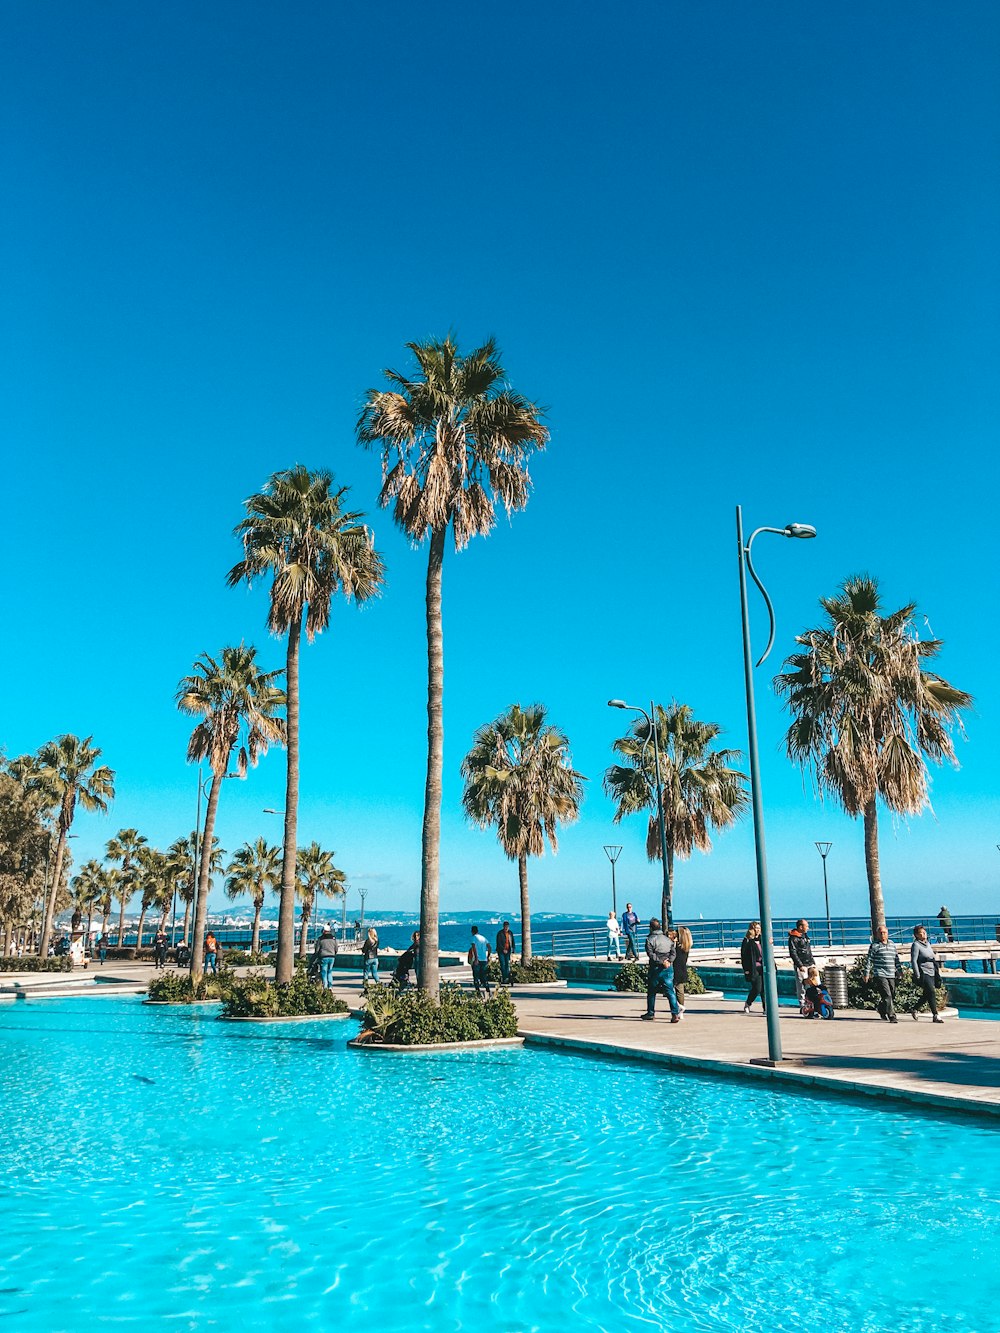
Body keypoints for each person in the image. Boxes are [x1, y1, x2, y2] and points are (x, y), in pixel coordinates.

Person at [641, 917, 681, 1022]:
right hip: (668, 967)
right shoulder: (668, 939)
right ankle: (675, 1014)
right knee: (670, 991)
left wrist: (660, 962)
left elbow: (651, 954)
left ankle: (651, 1012)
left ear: (651, 928)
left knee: (652, 991)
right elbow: (673, 953)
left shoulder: (649, 940)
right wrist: (668, 961)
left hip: (656, 968)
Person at [865, 926, 902, 1022]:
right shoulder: (874, 945)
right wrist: (867, 973)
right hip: (880, 973)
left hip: (891, 973)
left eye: (884, 932)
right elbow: (869, 960)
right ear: (877, 934)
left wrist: (899, 970)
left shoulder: (892, 944)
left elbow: (896, 959)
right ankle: (892, 1016)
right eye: (880, 933)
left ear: (887, 933)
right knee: (887, 994)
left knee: (892, 994)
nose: (883, 935)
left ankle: (881, 1008)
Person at [911, 925, 944, 1023]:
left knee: (927, 994)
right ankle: (935, 1015)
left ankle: (914, 1008)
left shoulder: (928, 944)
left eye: (924, 932)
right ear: (917, 935)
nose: (924, 934)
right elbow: (913, 960)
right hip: (923, 972)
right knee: (931, 992)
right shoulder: (916, 945)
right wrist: (917, 974)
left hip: (932, 971)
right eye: (921, 932)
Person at [740, 922, 766, 1015]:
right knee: (757, 988)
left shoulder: (763, 940)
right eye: (756, 928)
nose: (758, 930)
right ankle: (748, 1003)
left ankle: (766, 1008)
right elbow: (744, 956)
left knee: (764, 989)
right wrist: (746, 969)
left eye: (759, 928)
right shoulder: (747, 940)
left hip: (763, 967)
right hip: (753, 968)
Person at [788, 919, 815, 1005]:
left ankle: (812, 1001)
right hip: (802, 964)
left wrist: (813, 962)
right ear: (801, 927)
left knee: (813, 982)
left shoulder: (805, 936)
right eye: (806, 926)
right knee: (802, 985)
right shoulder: (793, 938)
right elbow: (793, 952)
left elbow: (808, 950)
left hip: (810, 963)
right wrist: (800, 965)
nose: (808, 927)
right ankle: (803, 1003)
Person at [468, 925, 492, 998]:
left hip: (477, 960)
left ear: (472, 931)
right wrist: (487, 956)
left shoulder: (473, 938)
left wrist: (476, 958)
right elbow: (489, 947)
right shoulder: (483, 938)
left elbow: (474, 948)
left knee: (476, 976)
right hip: (484, 959)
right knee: (483, 976)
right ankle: (488, 991)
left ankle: (478, 992)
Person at [673, 925, 692, 1014]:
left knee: (671, 990)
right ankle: (680, 1008)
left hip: (676, 970)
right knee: (680, 990)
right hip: (682, 970)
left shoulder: (677, 948)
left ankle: (679, 1007)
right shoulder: (686, 947)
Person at [313, 925, 338, 989]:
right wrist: (334, 953)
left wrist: (316, 956)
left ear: (323, 931)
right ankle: (330, 986)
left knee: (324, 972)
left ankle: (325, 986)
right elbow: (336, 948)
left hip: (323, 956)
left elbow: (317, 950)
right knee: (329, 971)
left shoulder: (320, 939)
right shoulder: (333, 938)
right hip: (332, 957)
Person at [495, 921, 515, 985]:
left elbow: (512, 941)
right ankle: (504, 977)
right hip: (501, 951)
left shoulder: (510, 933)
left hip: (508, 950)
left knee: (507, 964)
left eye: (507, 926)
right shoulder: (500, 933)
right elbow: (498, 942)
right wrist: (503, 949)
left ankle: (507, 977)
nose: (506, 928)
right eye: (505, 926)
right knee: (503, 964)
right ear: (503, 926)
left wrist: (513, 948)